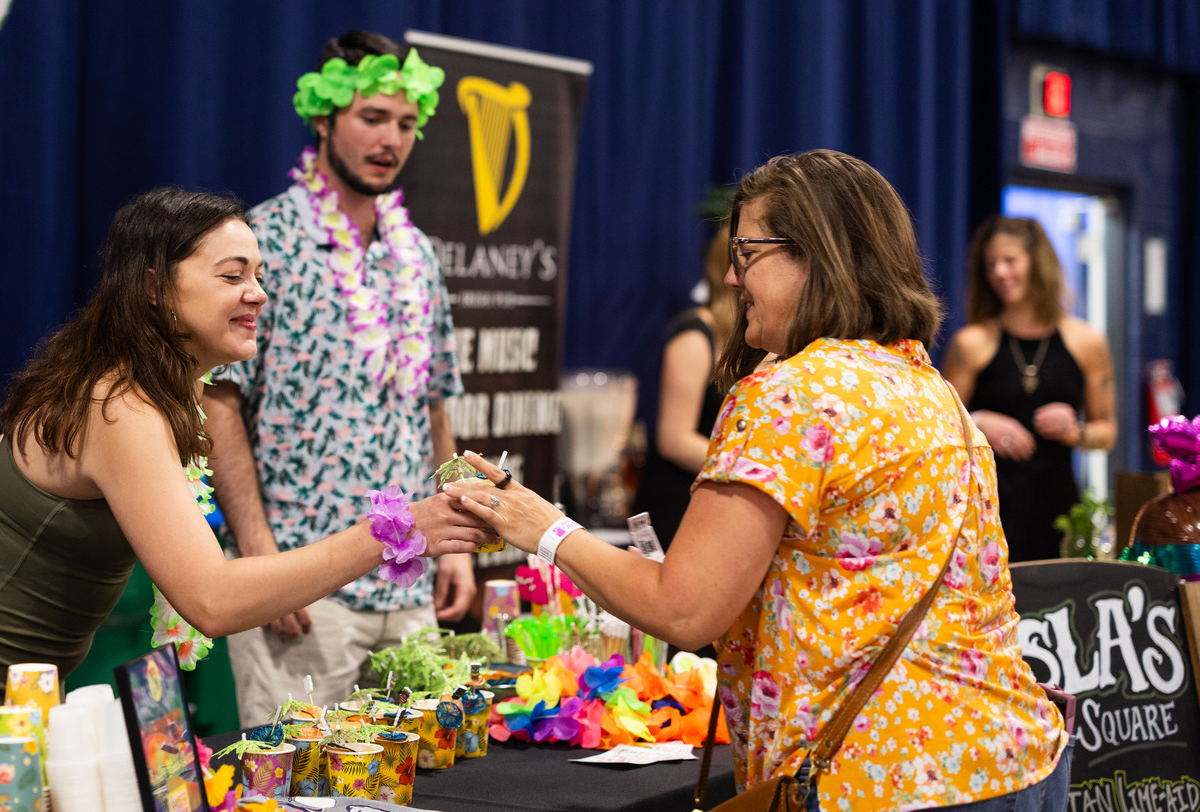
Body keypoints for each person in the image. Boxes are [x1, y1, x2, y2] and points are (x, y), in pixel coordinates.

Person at [447, 150, 1071, 811]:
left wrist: (544, 528)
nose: (730, 275)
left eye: (745, 252)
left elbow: (684, 610)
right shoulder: (931, 389)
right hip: (1013, 760)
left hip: (884, 781)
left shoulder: (790, 393)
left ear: (817, 254)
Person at [0, 187, 484, 739]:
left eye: (259, 275)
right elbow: (214, 602)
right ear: (156, 291)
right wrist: (396, 531)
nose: (257, 294)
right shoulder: (122, 408)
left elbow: (2, 449)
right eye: (232, 276)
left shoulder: (121, 379)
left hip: (0, 695)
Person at [203, 30, 474, 726]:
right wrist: (262, 561)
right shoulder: (265, 243)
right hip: (302, 582)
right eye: (372, 118)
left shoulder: (417, 254)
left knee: (419, 787)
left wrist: (454, 539)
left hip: (406, 586)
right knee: (295, 790)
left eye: (406, 124)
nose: (392, 139)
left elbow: (435, 410)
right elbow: (220, 401)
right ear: (324, 120)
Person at [943, 216, 1115, 563]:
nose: (999, 273)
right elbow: (940, 427)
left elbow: (1107, 433)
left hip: (1059, 508)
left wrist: (1076, 431)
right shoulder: (971, 344)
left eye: (1009, 260)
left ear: (1037, 262)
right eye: (991, 264)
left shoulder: (1087, 341)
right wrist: (978, 420)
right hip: (987, 511)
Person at [633, 226, 737, 546]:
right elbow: (675, 439)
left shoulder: (763, 338)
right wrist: (749, 469)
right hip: (678, 507)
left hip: (726, 500)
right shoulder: (695, 335)